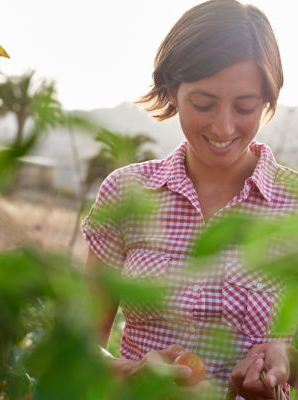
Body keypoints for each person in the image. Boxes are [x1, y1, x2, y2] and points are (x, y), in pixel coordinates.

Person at [82, 0, 298, 399]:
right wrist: (130, 372)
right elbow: (79, 345)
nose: (224, 125)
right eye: (203, 103)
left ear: (269, 100)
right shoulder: (126, 193)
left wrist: (285, 357)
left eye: (245, 106)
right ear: (171, 91)